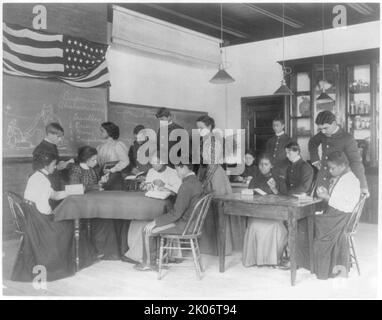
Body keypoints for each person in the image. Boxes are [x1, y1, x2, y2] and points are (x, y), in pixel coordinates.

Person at [11, 152, 96, 282]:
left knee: (66, 222)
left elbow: (55, 195)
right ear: (46, 165)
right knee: (68, 225)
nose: (55, 167)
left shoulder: (37, 176)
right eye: (54, 164)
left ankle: (76, 258)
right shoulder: (42, 180)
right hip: (37, 219)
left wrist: (75, 190)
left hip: (32, 216)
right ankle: (73, 261)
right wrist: (53, 216)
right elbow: (44, 209)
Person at [297, 151, 361, 280]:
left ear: (342, 166)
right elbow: (338, 199)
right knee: (306, 220)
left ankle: (308, 263)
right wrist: (327, 194)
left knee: (303, 222)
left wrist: (326, 196)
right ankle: (307, 261)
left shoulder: (350, 180)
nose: (330, 171)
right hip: (337, 215)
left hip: (340, 218)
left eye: (333, 168)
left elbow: (345, 205)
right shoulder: (346, 177)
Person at [134, 161, 203, 271]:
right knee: (156, 224)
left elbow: (176, 214)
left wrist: (155, 221)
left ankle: (149, 263)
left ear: (184, 167)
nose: (177, 173)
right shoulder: (196, 182)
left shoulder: (186, 186)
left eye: (177, 170)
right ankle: (157, 260)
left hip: (184, 225)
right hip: (192, 223)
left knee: (146, 230)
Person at [196, 115, 245, 255]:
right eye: (198, 128)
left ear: (210, 127)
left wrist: (205, 180)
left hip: (214, 175)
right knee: (208, 210)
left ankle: (222, 247)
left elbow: (212, 162)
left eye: (201, 128)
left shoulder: (214, 140)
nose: (199, 130)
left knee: (217, 208)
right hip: (207, 173)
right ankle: (210, 247)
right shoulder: (205, 140)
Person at [124, 154, 182, 263]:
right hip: (152, 202)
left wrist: (165, 185)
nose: (154, 165)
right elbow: (149, 186)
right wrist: (145, 186)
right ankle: (137, 254)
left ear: (164, 161)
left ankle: (158, 255)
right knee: (136, 219)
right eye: (152, 163)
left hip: (167, 206)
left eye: (157, 163)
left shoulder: (173, 172)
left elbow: (178, 192)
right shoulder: (151, 171)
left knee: (145, 220)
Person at [68, 146, 120, 260]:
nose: (96, 162)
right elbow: (75, 188)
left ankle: (104, 251)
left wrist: (101, 182)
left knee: (108, 217)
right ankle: (99, 250)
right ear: (86, 159)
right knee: (103, 219)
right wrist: (96, 186)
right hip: (81, 205)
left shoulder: (92, 169)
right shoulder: (76, 169)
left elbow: (94, 187)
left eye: (96, 159)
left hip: (93, 203)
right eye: (93, 160)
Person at [308, 110, 369, 197]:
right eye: (320, 129)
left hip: (338, 182)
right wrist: (315, 160)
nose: (323, 132)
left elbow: (356, 162)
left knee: (334, 206)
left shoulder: (347, 138)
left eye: (325, 128)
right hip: (322, 179)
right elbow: (312, 142)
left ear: (334, 123)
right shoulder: (323, 133)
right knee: (317, 208)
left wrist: (363, 186)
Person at [243, 153, 288, 267]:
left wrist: (274, 189)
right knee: (253, 224)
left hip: (275, 214)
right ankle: (255, 259)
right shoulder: (254, 179)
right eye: (260, 164)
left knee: (275, 226)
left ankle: (272, 259)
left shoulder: (279, 179)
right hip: (258, 213)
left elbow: (285, 198)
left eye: (266, 164)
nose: (263, 167)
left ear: (271, 165)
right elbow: (249, 195)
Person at [97, 121, 130, 257]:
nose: (100, 133)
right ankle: (107, 249)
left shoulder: (118, 145)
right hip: (104, 179)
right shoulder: (100, 147)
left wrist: (112, 170)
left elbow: (125, 161)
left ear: (109, 132)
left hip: (115, 180)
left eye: (102, 131)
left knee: (116, 213)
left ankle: (119, 249)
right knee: (105, 213)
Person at [32, 122, 74, 201]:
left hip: (54, 184)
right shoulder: (41, 148)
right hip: (47, 186)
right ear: (50, 134)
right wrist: (57, 167)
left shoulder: (51, 145)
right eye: (58, 137)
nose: (60, 139)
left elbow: (50, 162)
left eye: (61, 137)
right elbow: (37, 169)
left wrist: (59, 163)